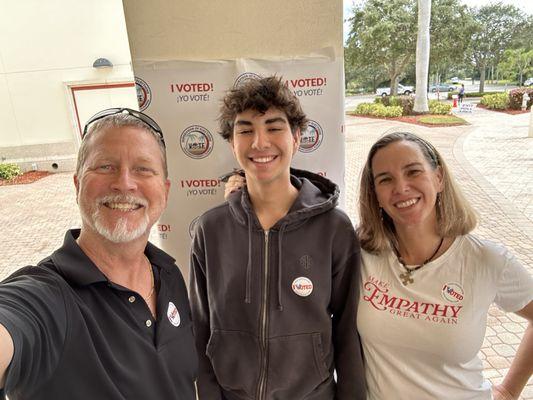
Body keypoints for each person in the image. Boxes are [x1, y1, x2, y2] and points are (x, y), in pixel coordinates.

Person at [0, 108, 197, 399]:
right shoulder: (48, 296)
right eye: (105, 166)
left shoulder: (169, 274)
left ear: (165, 191)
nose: (124, 183)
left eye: (143, 169)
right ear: (78, 184)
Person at [189, 76, 366, 400]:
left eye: (274, 127)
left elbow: (348, 330)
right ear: (232, 143)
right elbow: (200, 331)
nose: (259, 143)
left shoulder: (334, 229)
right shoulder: (210, 230)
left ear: (297, 137)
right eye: (245, 130)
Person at [357, 131, 533, 399]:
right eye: (385, 179)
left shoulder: (485, 259)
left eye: (413, 172)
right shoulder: (361, 254)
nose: (401, 187)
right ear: (375, 194)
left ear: (438, 178)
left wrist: (508, 390)